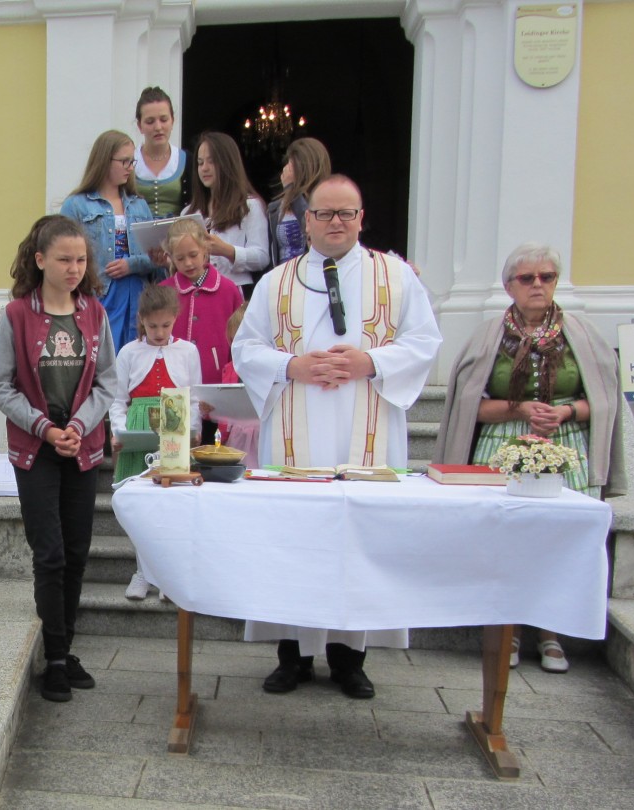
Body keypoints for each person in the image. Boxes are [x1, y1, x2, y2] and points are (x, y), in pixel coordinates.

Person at [232, 174, 441, 698]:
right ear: (307, 221)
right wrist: (292, 366)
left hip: (367, 428)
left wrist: (371, 360)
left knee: (358, 540)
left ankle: (349, 659)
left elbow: (424, 341)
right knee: (293, 539)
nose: (336, 223)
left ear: (361, 218)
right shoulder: (277, 282)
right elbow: (246, 348)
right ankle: (292, 656)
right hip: (295, 432)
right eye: (325, 214)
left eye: (346, 213)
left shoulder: (394, 276)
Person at [432, 242, 626, 673]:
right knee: (506, 538)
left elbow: (605, 398)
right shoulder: (488, 337)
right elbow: (468, 404)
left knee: (558, 541)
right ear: (508, 286)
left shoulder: (583, 334)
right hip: (502, 443)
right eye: (527, 278)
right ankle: (508, 628)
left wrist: (566, 410)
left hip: (566, 445)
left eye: (547, 277)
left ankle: (551, 630)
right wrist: (519, 408)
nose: (538, 285)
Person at [0, 215, 117, 702]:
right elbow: (1, 386)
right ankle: (56, 659)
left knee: (79, 552)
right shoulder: (16, 315)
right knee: (51, 554)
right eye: (64, 259)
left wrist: (79, 427)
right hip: (36, 450)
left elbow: (107, 382)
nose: (74, 268)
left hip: (81, 447)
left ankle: (63, 647)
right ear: (40, 260)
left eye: (81, 259)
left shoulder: (95, 313)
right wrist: (46, 428)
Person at [109, 285, 201, 600]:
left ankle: (165, 577)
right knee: (141, 505)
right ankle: (142, 572)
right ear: (142, 321)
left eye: (165, 325)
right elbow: (118, 400)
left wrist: (196, 428)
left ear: (175, 319)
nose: (159, 333)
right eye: (152, 326)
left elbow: (195, 396)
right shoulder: (128, 352)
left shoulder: (188, 351)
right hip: (138, 424)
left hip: (174, 418)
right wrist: (120, 432)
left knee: (170, 504)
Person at [60, 130, 163, 350]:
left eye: (132, 161)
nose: (130, 167)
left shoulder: (138, 205)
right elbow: (63, 255)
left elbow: (156, 257)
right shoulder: (76, 205)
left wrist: (132, 264)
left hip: (136, 294)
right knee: (101, 356)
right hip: (98, 293)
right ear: (104, 161)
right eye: (124, 161)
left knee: (136, 355)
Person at [160, 218, 244, 444]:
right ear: (170, 257)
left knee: (210, 454)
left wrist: (229, 389)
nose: (188, 263)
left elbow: (240, 343)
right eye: (180, 258)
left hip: (214, 392)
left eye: (193, 255)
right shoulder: (164, 292)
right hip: (174, 394)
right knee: (175, 454)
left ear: (206, 249)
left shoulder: (228, 290)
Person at [182, 131, 270, 299]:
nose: (204, 168)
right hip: (197, 294)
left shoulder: (249, 206)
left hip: (234, 292)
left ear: (227, 163)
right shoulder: (189, 212)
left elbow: (262, 256)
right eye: (200, 163)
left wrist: (227, 251)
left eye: (211, 161)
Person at [267, 138, 332, 266]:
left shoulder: (327, 201)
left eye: (293, 163)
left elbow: (312, 227)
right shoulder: (275, 209)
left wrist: (291, 190)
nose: (288, 168)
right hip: (284, 276)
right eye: (288, 162)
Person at [210, 303, 260, 468]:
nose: (237, 347)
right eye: (233, 341)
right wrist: (211, 410)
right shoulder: (229, 368)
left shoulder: (266, 367)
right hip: (235, 435)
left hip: (260, 433)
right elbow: (225, 405)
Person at [133, 86, 190, 219]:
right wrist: (121, 241)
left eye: (163, 120)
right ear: (140, 126)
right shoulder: (128, 161)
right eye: (150, 121)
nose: (158, 127)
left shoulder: (188, 160)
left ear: (173, 121)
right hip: (136, 237)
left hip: (177, 237)